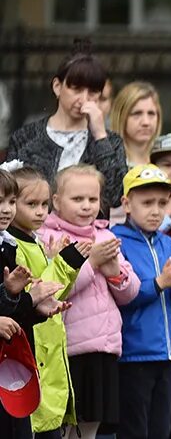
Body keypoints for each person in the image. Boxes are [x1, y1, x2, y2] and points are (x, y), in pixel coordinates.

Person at [37, 165, 142, 439]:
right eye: (77, 199)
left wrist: (115, 274)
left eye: (93, 200)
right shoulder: (48, 238)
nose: (86, 206)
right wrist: (92, 263)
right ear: (56, 201)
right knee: (65, 426)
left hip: (103, 347)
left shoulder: (105, 236)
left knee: (91, 426)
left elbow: (130, 293)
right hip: (68, 350)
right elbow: (55, 291)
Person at [112, 165, 171, 439]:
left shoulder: (166, 243)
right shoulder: (116, 241)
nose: (155, 210)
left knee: (162, 429)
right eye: (147, 202)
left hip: (167, 353)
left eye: (162, 203)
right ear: (127, 204)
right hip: (133, 354)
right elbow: (122, 297)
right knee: (134, 429)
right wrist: (159, 284)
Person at [8, 166, 91, 438]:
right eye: (31, 204)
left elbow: (54, 295)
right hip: (34, 351)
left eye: (44, 204)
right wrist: (65, 263)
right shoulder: (13, 247)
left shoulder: (37, 242)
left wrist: (64, 263)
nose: (40, 211)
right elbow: (35, 294)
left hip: (52, 353)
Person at [6, 42, 127, 214]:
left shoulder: (111, 142)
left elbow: (115, 197)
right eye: (76, 89)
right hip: (34, 237)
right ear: (57, 87)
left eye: (92, 92)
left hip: (90, 239)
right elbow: (8, 197)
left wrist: (100, 135)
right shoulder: (25, 138)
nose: (84, 99)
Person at [0, 168, 71, 439]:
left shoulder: (8, 246)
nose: (6, 209)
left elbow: (13, 310)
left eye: (10, 201)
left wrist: (35, 307)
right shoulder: (14, 246)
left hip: (12, 362)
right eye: (0, 202)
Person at [110, 81, 162, 168]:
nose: (146, 122)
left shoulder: (165, 161)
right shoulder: (108, 161)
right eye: (137, 114)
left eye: (151, 113)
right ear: (121, 116)